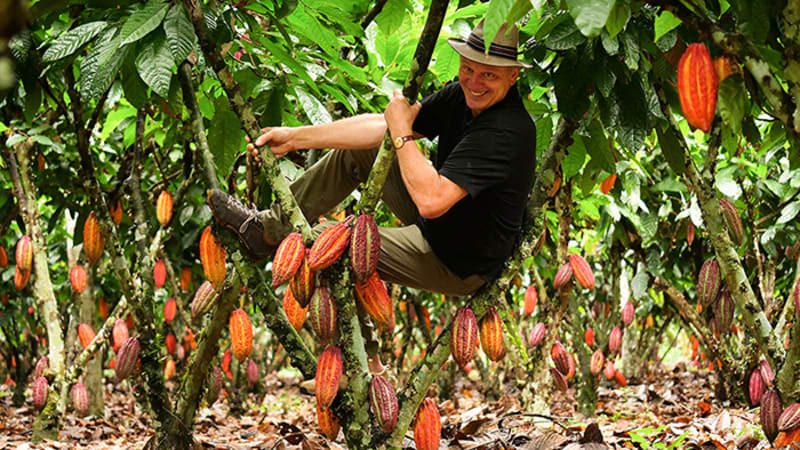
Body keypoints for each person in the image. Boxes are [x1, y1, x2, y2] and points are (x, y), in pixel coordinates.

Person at [209, 19, 537, 298]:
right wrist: (295, 137)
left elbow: (431, 199)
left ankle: (362, 365)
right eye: (468, 69)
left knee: (329, 245)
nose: (474, 82)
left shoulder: (506, 132)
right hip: (439, 225)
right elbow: (386, 126)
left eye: (489, 76)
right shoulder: (462, 94)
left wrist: (400, 129)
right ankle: (266, 231)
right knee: (368, 149)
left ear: (513, 76)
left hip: (456, 261)